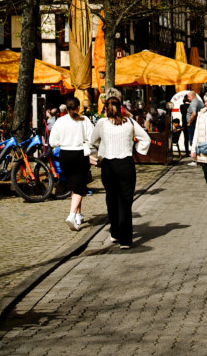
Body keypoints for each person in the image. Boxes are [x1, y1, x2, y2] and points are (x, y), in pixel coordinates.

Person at [89, 96, 149, 249]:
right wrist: (137, 149)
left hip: (108, 164)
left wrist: (102, 148)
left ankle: (115, 231)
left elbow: (92, 140)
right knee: (125, 202)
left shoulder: (102, 124)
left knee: (112, 199)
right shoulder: (129, 122)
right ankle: (126, 240)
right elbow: (145, 138)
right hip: (126, 164)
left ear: (105, 109)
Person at [49, 97, 94, 232]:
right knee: (80, 187)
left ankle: (78, 215)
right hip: (79, 154)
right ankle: (72, 214)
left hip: (65, 155)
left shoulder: (60, 121)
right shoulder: (84, 120)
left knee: (74, 185)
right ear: (78, 107)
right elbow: (91, 138)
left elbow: (52, 142)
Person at [185, 91, 203, 166]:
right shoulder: (199, 102)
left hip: (193, 124)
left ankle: (195, 159)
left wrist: (189, 122)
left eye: (188, 97)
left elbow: (194, 113)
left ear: (192, 96)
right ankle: (199, 158)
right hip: (197, 123)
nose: (188, 98)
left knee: (193, 140)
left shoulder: (193, 103)